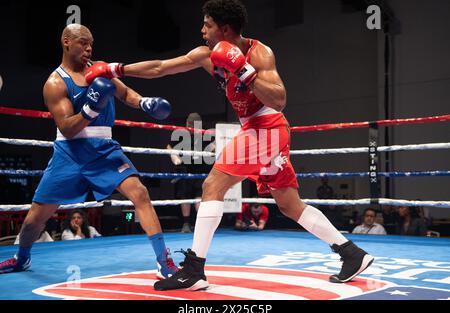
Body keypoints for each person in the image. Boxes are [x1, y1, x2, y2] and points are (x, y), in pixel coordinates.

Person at [85, 0, 374, 290]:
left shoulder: (259, 53)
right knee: (289, 205)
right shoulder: (206, 55)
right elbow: (161, 67)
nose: (202, 31)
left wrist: (244, 70)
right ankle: (351, 253)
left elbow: (279, 99)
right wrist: (115, 69)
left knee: (213, 185)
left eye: (207, 25)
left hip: (267, 125)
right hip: (260, 129)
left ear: (224, 29)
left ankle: (195, 269)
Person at [0, 24, 178, 280]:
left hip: (105, 151)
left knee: (140, 193)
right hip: (69, 153)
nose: (89, 48)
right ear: (66, 42)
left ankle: (164, 261)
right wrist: (91, 109)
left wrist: (144, 102)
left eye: (91, 43)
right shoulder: (54, 83)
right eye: (83, 42)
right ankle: (22, 258)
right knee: (33, 221)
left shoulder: (100, 70)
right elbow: (67, 128)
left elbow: (125, 92)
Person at [167, 112, 212, 233]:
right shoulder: (182, 134)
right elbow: (169, 147)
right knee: (188, 196)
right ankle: (189, 224)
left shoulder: (204, 134)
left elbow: (214, 146)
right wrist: (175, 157)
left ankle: (193, 224)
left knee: (196, 197)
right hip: (186, 169)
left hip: (198, 170)